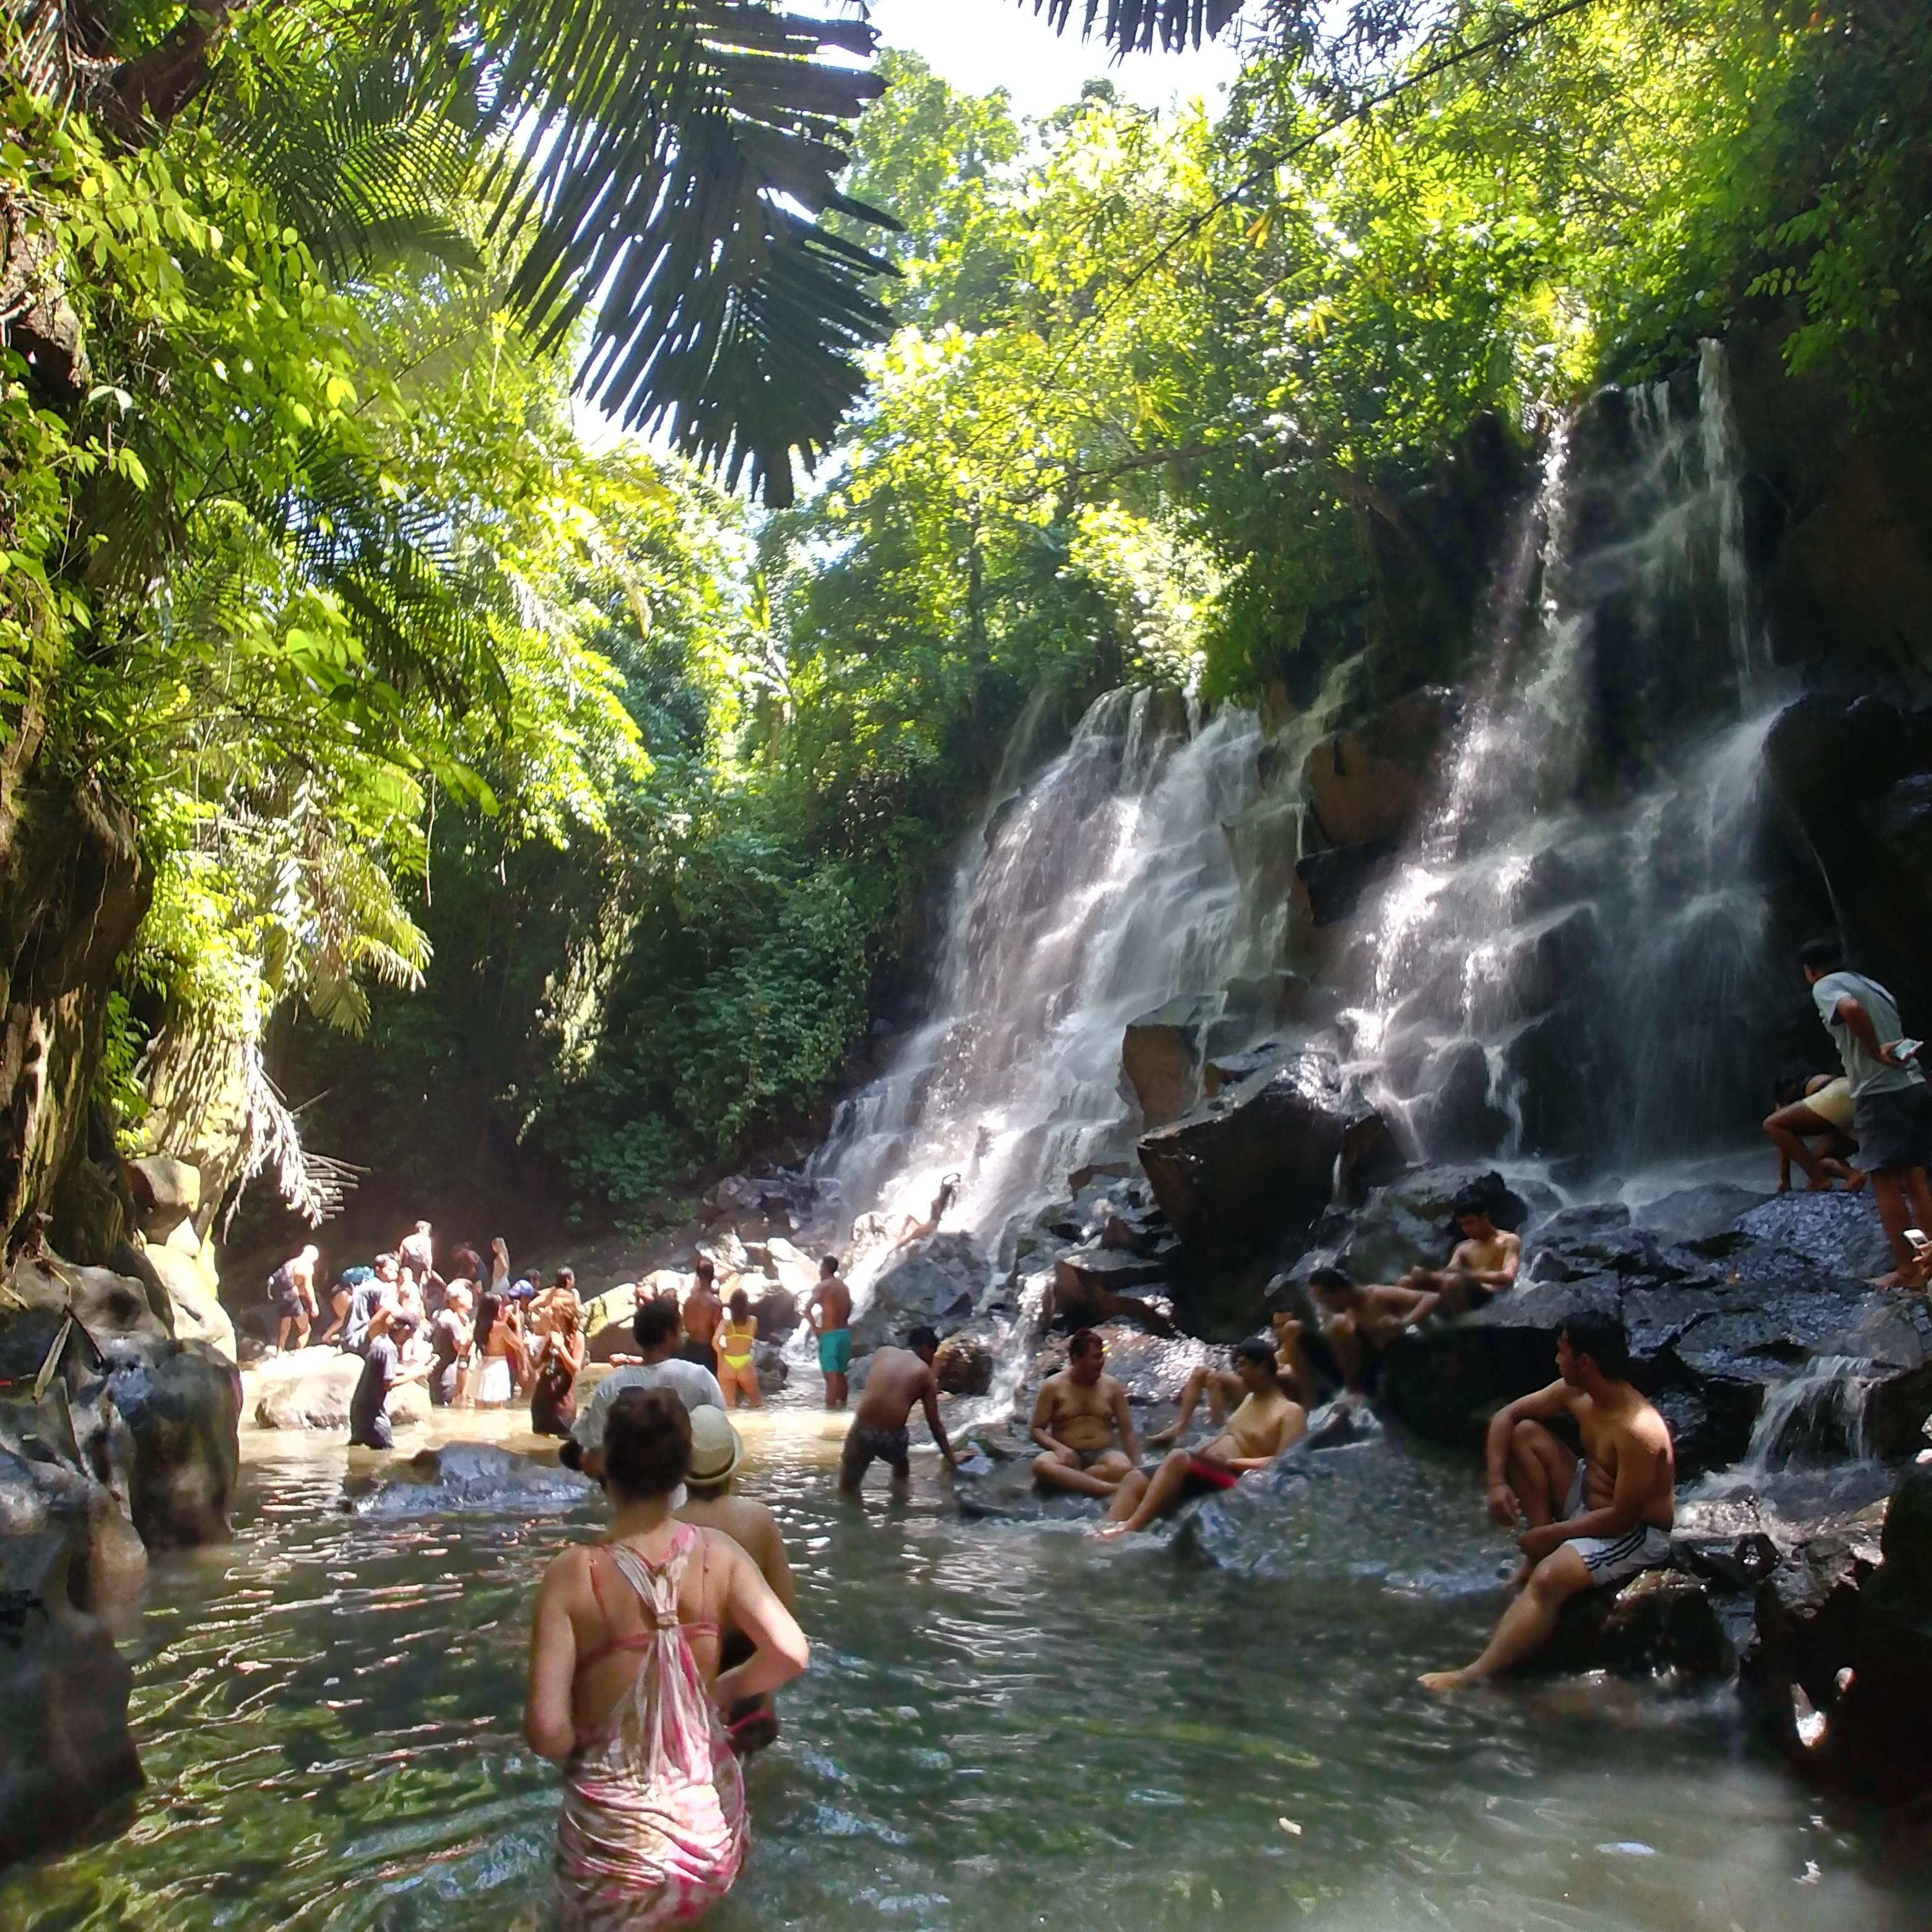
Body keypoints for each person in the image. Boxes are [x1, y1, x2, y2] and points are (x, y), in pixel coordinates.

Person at [524, 1388, 809, 1928]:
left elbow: (547, 1734)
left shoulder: (573, 1573)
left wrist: (585, 1733)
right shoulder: (719, 1557)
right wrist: (723, 1690)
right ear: (683, 1472)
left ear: (606, 1465)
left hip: (614, 1855)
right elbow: (791, 1652)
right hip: (707, 1845)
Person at [1419, 1311, 1676, 1691]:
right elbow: (1507, 1416)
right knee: (1525, 1435)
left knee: (1550, 1578)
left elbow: (1624, 1517)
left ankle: (1474, 1675)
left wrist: (1554, 1535)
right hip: (1590, 1501)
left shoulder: (1638, 1429)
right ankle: (1539, 1553)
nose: (1557, 1360)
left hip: (1636, 1531)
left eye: (1561, 1353)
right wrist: (1495, 1484)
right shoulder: (1577, 1392)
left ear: (1584, 1362)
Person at [1801, 937, 1932, 1287]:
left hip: (1879, 1091)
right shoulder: (1873, 984)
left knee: (1885, 1181)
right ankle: (1928, 1262)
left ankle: (1908, 1270)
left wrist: (1873, 1051)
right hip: (1912, 1082)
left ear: (1810, 971)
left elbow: (1850, 1009)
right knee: (1916, 1179)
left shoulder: (1826, 985)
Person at [676, 1408, 798, 1756]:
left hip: (693, 1677)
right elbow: (785, 1611)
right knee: (752, 1788)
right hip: (748, 1676)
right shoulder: (758, 1520)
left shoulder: (667, 1526)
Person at [1095, 1339, 1305, 1537]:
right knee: (1135, 1478)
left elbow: (1285, 1462)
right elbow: (1226, 1434)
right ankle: (1105, 1531)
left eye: (1244, 1365)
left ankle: (1129, 1527)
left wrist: (1233, 1463)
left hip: (1237, 1479)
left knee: (1178, 1457)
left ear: (1264, 1368)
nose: (1238, 1372)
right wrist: (1201, 1454)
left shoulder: (1290, 1412)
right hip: (1209, 1470)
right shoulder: (1250, 1399)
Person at [570, 1299, 726, 1482]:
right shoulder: (700, 1377)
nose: (682, 1335)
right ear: (669, 1335)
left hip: (630, 1491)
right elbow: (721, 1437)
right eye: (679, 1329)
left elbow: (597, 1457)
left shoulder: (610, 1386)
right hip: (686, 1485)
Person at [1149, 1308, 1315, 1446]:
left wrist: (1268, 1369)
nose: (1280, 1331)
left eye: (1284, 1325)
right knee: (1202, 1373)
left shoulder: (1301, 1350)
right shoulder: (1277, 1352)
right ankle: (1181, 1426)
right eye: (1276, 1326)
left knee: (1214, 1378)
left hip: (1273, 1393)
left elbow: (1298, 1378)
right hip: (1256, 1388)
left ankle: (1217, 1427)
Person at [839, 1326, 961, 1492]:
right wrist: (951, 1458)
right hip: (891, 1436)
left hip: (862, 1429)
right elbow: (935, 1426)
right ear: (926, 1348)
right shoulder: (926, 1375)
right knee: (901, 1465)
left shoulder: (883, 1352)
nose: (932, 1361)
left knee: (847, 1488)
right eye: (933, 1354)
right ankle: (898, 1505)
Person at [1029, 1329, 1140, 1498]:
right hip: (1067, 1455)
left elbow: (1127, 1430)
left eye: (1102, 1356)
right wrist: (1059, 1449)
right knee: (1042, 1465)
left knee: (1124, 1468)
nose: (1101, 1362)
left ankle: (1070, 1481)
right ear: (1075, 1360)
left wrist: (1139, 1469)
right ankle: (1111, 1489)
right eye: (1095, 1357)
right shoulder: (1052, 1387)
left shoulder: (1113, 1386)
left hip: (1102, 1454)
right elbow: (1036, 1430)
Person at [1394, 1186, 1521, 1315]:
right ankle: (1411, 1328)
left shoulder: (1508, 1240)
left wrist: (1467, 1275)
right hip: (1467, 1295)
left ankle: (1464, 1327)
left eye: (1470, 1223)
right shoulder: (1462, 1248)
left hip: (1494, 1296)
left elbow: (1508, 1276)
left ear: (1484, 1217)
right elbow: (1449, 1272)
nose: (1466, 1229)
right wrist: (1427, 1276)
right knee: (1406, 1282)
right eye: (1462, 1225)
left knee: (1452, 1281)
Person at [1308, 1266, 1438, 1391]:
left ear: (1339, 1291)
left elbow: (1431, 1297)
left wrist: (1404, 1322)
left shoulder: (1377, 1295)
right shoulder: (1345, 1316)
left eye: (1324, 1301)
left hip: (1404, 1358)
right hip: (1380, 1371)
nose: (1326, 1307)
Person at [1763, 1066, 1863, 1193]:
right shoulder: (1822, 1080)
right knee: (1819, 1161)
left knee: (1771, 1124)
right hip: (1858, 1100)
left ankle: (1819, 1180)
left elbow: (1781, 1137)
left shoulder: (1795, 1090)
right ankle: (1853, 1175)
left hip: (1837, 1095)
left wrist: (1785, 1180)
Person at [349, 1312, 427, 1450]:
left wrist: (405, 1371)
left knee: (355, 1452)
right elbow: (387, 1384)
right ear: (406, 1330)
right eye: (412, 1333)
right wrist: (415, 1375)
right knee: (386, 1455)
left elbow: (379, 1370)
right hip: (374, 1415)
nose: (411, 1338)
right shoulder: (389, 1349)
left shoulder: (380, 1340)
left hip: (358, 1410)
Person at [530, 1299, 586, 1439]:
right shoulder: (551, 1334)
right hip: (544, 1391)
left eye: (555, 1314)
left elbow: (575, 1369)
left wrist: (561, 1349)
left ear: (565, 1315)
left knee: (565, 1435)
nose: (551, 1317)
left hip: (563, 1395)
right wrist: (525, 1348)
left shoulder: (578, 1337)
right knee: (541, 1437)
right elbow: (536, 1364)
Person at [806, 1255, 853, 1411]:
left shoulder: (823, 1286)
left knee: (831, 1377)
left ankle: (830, 1414)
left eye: (821, 1267)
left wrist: (815, 1328)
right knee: (841, 1374)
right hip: (845, 1334)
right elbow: (850, 1308)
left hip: (830, 1335)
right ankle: (844, 1408)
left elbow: (807, 1309)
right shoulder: (844, 1287)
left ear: (825, 1268)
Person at [475, 1287, 526, 1409]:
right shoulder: (501, 1328)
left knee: (479, 1409)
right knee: (497, 1411)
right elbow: (519, 1344)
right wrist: (518, 1324)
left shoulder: (479, 1326)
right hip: (497, 1368)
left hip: (482, 1368)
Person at [713, 1289, 763, 1411]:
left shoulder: (725, 1324)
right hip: (745, 1362)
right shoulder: (754, 1321)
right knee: (758, 1405)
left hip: (727, 1364)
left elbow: (715, 1341)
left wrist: (721, 1356)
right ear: (747, 1305)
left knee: (729, 1407)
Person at [342, 1251, 401, 1355]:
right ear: (378, 1271)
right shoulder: (378, 1287)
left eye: (396, 1271)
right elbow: (389, 1312)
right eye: (390, 1270)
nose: (394, 1274)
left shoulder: (371, 1284)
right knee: (391, 1313)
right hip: (357, 1339)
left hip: (348, 1338)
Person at [427, 1282, 474, 1408]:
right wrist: (469, 1328)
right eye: (464, 1296)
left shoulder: (439, 1314)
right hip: (448, 1378)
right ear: (454, 1300)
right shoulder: (451, 1320)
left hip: (438, 1374)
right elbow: (462, 1347)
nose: (469, 1298)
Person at [268, 1244, 320, 1354]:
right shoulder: (307, 1266)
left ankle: (280, 1352)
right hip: (291, 1296)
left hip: (281, 1296)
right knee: (306, 1329)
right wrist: (314, 1305)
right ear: (312, 1256)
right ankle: (298, 1353)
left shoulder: (290, 1262)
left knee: (285, 1324)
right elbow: (308, 1287)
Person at [894, 1174, 960, 1248]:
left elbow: (947, 1187)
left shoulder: (941, 1202)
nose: (941, 1187)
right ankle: (902, 1233)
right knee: (909, 1217)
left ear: (944, 1190)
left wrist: (955, 1180)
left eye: (942, 1188)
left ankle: (895, 1249)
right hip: (930, 1223)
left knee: (909, 1238)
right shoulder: (940, 1199)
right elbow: (943, 1180)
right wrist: (956, 1176)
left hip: (931, 1225)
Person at [681, 1258, 723, 1368]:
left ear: (698, 1276)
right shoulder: (715, 1303)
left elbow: (685, 1325)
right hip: (707, 1351)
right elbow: (718, 1334)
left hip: (689, 1348)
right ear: (713, 1277)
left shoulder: (689, 1301)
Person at [399, 1219, 437, 1287]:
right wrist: (429, 1269)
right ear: (420, 1229)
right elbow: (428, 1255)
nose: (428, 1233)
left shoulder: (406, 1240)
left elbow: (401, 1256)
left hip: (407, 1268)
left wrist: (401, 1268)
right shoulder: (426, 1239)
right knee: (420, 1290)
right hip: (421, 1269)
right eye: (427, 1230)